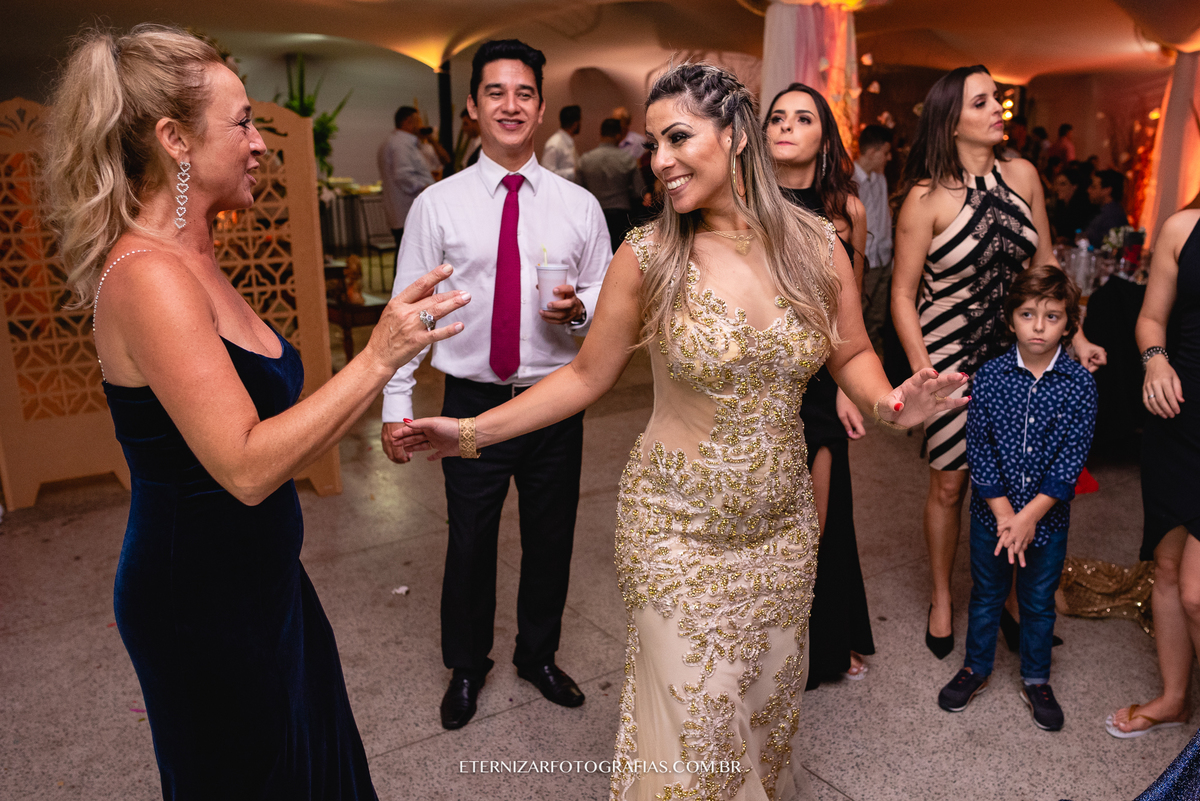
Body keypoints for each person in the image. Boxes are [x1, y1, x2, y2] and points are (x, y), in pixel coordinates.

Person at [400, 62, 969, 799]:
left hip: (781, 534)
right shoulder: (650, 256)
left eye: (677, 138)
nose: (660, 160)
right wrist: (471, 432)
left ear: (734, 136)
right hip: (675, 534)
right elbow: (583, 377)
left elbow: (851, 350)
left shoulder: (817, 245)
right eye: (654, 145)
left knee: (760, 727)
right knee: (696, 744)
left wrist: (893, 404)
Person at [41, 24, 470, 799]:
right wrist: (379, 356)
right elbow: (244, 465)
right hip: (200, 604)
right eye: (242, 122)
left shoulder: (196, 256)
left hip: (262, 581)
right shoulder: (147, 276)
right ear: (174, 139)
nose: (259, 142)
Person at [379, 39, 611, 732]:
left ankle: (538, 655)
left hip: (552, 401)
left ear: (539, 108)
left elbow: (605, 295)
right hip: (470, 403)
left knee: (551, 537)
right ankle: (466, 665)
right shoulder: (437, 206)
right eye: (495, 92)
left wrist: (580, 310)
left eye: (524, 93)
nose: (511, 105)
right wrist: (396, 405)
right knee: (471, 541)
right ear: (474, 108)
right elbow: (408, 310)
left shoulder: (578, 206)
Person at [891, 65, 1105, 660]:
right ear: (951, 120)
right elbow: (902, 295)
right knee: (951, 482)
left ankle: (1012, 599)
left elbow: (1046, 267)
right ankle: (942, 597)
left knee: (1022, 476)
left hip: (1018, 352)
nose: (997, 110)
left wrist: (1077, 336)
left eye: (997, 99)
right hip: (951, 354)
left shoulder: (1024, 174)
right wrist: (926, 376)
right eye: (982, 102)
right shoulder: (925, 198)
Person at [937, 264, 1096, 732]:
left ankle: (1036, 677)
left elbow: (1071, 461)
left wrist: (1028, 519)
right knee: (987, 595)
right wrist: (1006, 515)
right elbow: (980, 450)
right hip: (993, 518)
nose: (1039, 326)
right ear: (1010, 320)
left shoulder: (1080, 385)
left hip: (1047, 524)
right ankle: (976, 667)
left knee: (1039, 602)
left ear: (1069, 324)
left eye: (1052, 316)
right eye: (1028, 314)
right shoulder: (989, 377)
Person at [764, 82, 874, 686]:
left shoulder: (846, 211)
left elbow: (847, 314)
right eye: (777, 117)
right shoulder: (745, 203)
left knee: (816, 524)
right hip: (758, 378)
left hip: (817, 383)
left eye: (802, 118)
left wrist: (844, 387)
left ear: (824, 138)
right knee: (762, 520)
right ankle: (762, 643)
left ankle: (819, 642)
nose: (786, 126)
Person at [1106, 204, 1200, 738]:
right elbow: (1150, 319)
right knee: (1166, 567)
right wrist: (1156, 359)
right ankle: (1174, 698)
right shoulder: (1183, 228)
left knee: (1196, 591)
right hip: (1177, 417)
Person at [854, 124, 895, 356]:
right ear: (872, 152)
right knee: (857, 317)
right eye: (886, 152)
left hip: (883, 260)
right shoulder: (848, 179)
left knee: (876, 320)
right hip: (864, 262)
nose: (889, 158)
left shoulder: (881, 179)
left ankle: (875, 363)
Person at [578, 117, 645, 251]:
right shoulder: (628, 159)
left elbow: (578, 190)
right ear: (619, 135)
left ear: (601, 134)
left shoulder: (585, 160)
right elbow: (639, 191)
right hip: (622, 217)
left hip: (594, 215)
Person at [378, 105, 435, 251]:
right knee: (409, 253)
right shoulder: (401, 144)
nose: (420, 125)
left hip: (402, 210)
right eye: (417, 121)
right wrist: (428, 186)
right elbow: (403, 176)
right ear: (408, 122)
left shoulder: (396, 141)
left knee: (405, 252)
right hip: (406, 209)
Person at [1084, 168, 1130, 249]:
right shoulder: (1105, 211)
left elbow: (1110, 249)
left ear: (1107, 190)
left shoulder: (1113, 215)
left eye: (1094, 187)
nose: (1088, 190)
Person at [542, 104, 581, 182]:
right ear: (575, 124)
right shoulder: (554, 144)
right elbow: (547, 173)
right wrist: (574, 172)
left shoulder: (568, 141)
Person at [452, 107, 481, 173]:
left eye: (466, 124)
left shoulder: (485, 146)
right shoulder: (470, 143)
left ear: (476, 122)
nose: (463, 128)